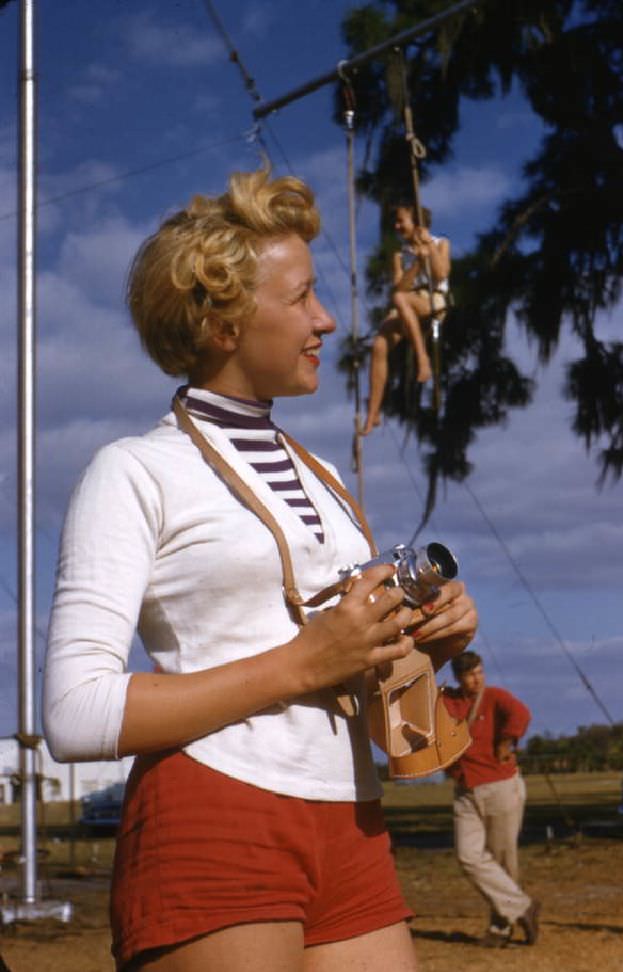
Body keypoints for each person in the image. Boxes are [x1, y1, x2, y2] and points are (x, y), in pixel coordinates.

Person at [43, 168, 478, 972]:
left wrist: (426, 640)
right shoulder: (133, 470)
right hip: (213, 814)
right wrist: (305, 662)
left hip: (351, 819)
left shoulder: (324, 477)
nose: (326, 320)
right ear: (224, 326)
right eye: (302, 298)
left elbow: (344, 661)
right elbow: (75, 713)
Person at [442, 650, 541, 948]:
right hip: (466, 790)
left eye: (480, 672)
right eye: (470, 674)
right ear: (458, 677)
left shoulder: (495, 696)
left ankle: (501, 929)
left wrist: (505, 740)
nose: (477, 679)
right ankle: (523, 907)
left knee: (502, 859)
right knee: (469, 856)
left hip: (499, 786)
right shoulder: (449, 701)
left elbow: (521, 714)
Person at [361, 203, 450, 435]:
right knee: (379, 345)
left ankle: (422, 359)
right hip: (407, 302)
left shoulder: (440, 243)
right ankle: (373, 411)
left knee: (401, 300)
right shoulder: (400, 255)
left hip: (432, 300)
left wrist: (428, 250)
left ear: (417, 224)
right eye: (397, 222)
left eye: (402, 221)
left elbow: (441, 274)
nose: (397, 226)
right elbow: (399, 287)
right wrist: (417, 264)